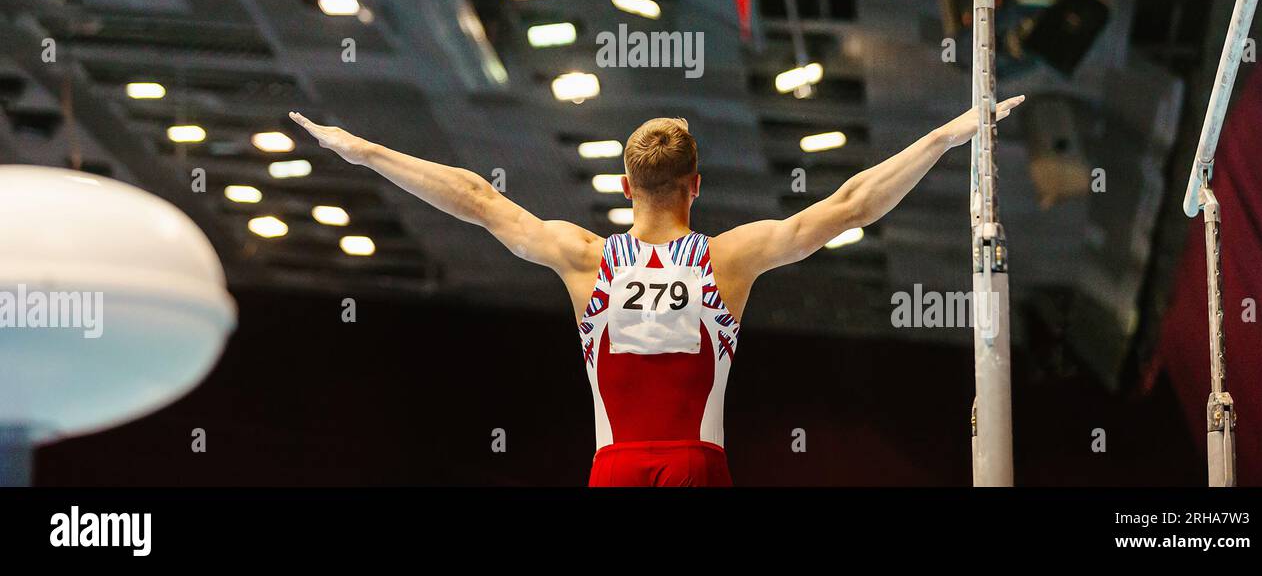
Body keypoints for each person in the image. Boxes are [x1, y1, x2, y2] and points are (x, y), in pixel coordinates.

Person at [289, 96, 1024, 486]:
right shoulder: (728, 261)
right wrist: (945, 138)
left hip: (614, 470)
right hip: (697, 469)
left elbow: (477, 198)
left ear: (623, 186)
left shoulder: (583, 259)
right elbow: (851, 205)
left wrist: (362, 150)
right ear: (695, 188)